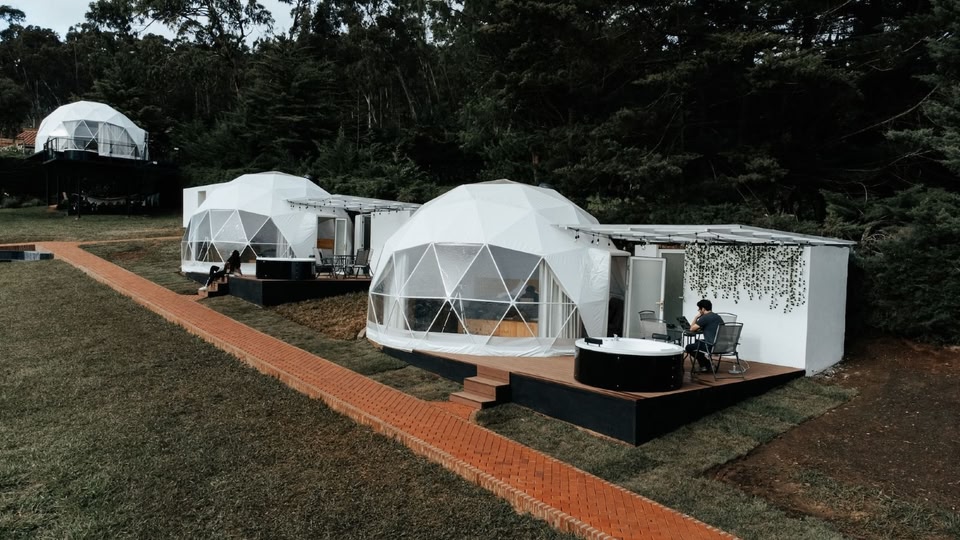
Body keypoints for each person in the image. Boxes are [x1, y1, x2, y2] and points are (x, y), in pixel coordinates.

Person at [684, 299, 724, 373]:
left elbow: (691, 329)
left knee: (688, 347)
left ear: (703, 309)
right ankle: (704, 365)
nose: (698, 310)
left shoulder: (705, 317)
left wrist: (696, 317)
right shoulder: (718, 317)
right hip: (720, 345)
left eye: (699, 309)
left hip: (710, 345)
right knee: (697, 342)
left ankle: (708, 365)